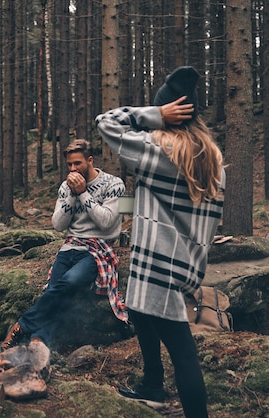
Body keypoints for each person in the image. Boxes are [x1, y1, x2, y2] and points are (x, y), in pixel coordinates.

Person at [95, 66, 225, 417]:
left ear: (170, 112)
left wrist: (154, 116)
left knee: (183, 351)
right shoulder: (214, 160)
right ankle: (152, 384)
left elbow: (106, 121)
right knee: (138, 309)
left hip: (158, 264)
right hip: (186, 262)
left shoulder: (158, 151)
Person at [2, 138, 127, 349]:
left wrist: (83, 193)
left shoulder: (115, 184)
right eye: (69, 164)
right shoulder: (65, 187)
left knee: (69, 283)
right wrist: (71, 195)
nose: (72, 169)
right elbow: (58, 225)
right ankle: (39, 340)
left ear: (89, 160)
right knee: (56, 291)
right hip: (70, 246)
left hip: (97, 249)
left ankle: (22, 326)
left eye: (77, 163)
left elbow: (107, 223)